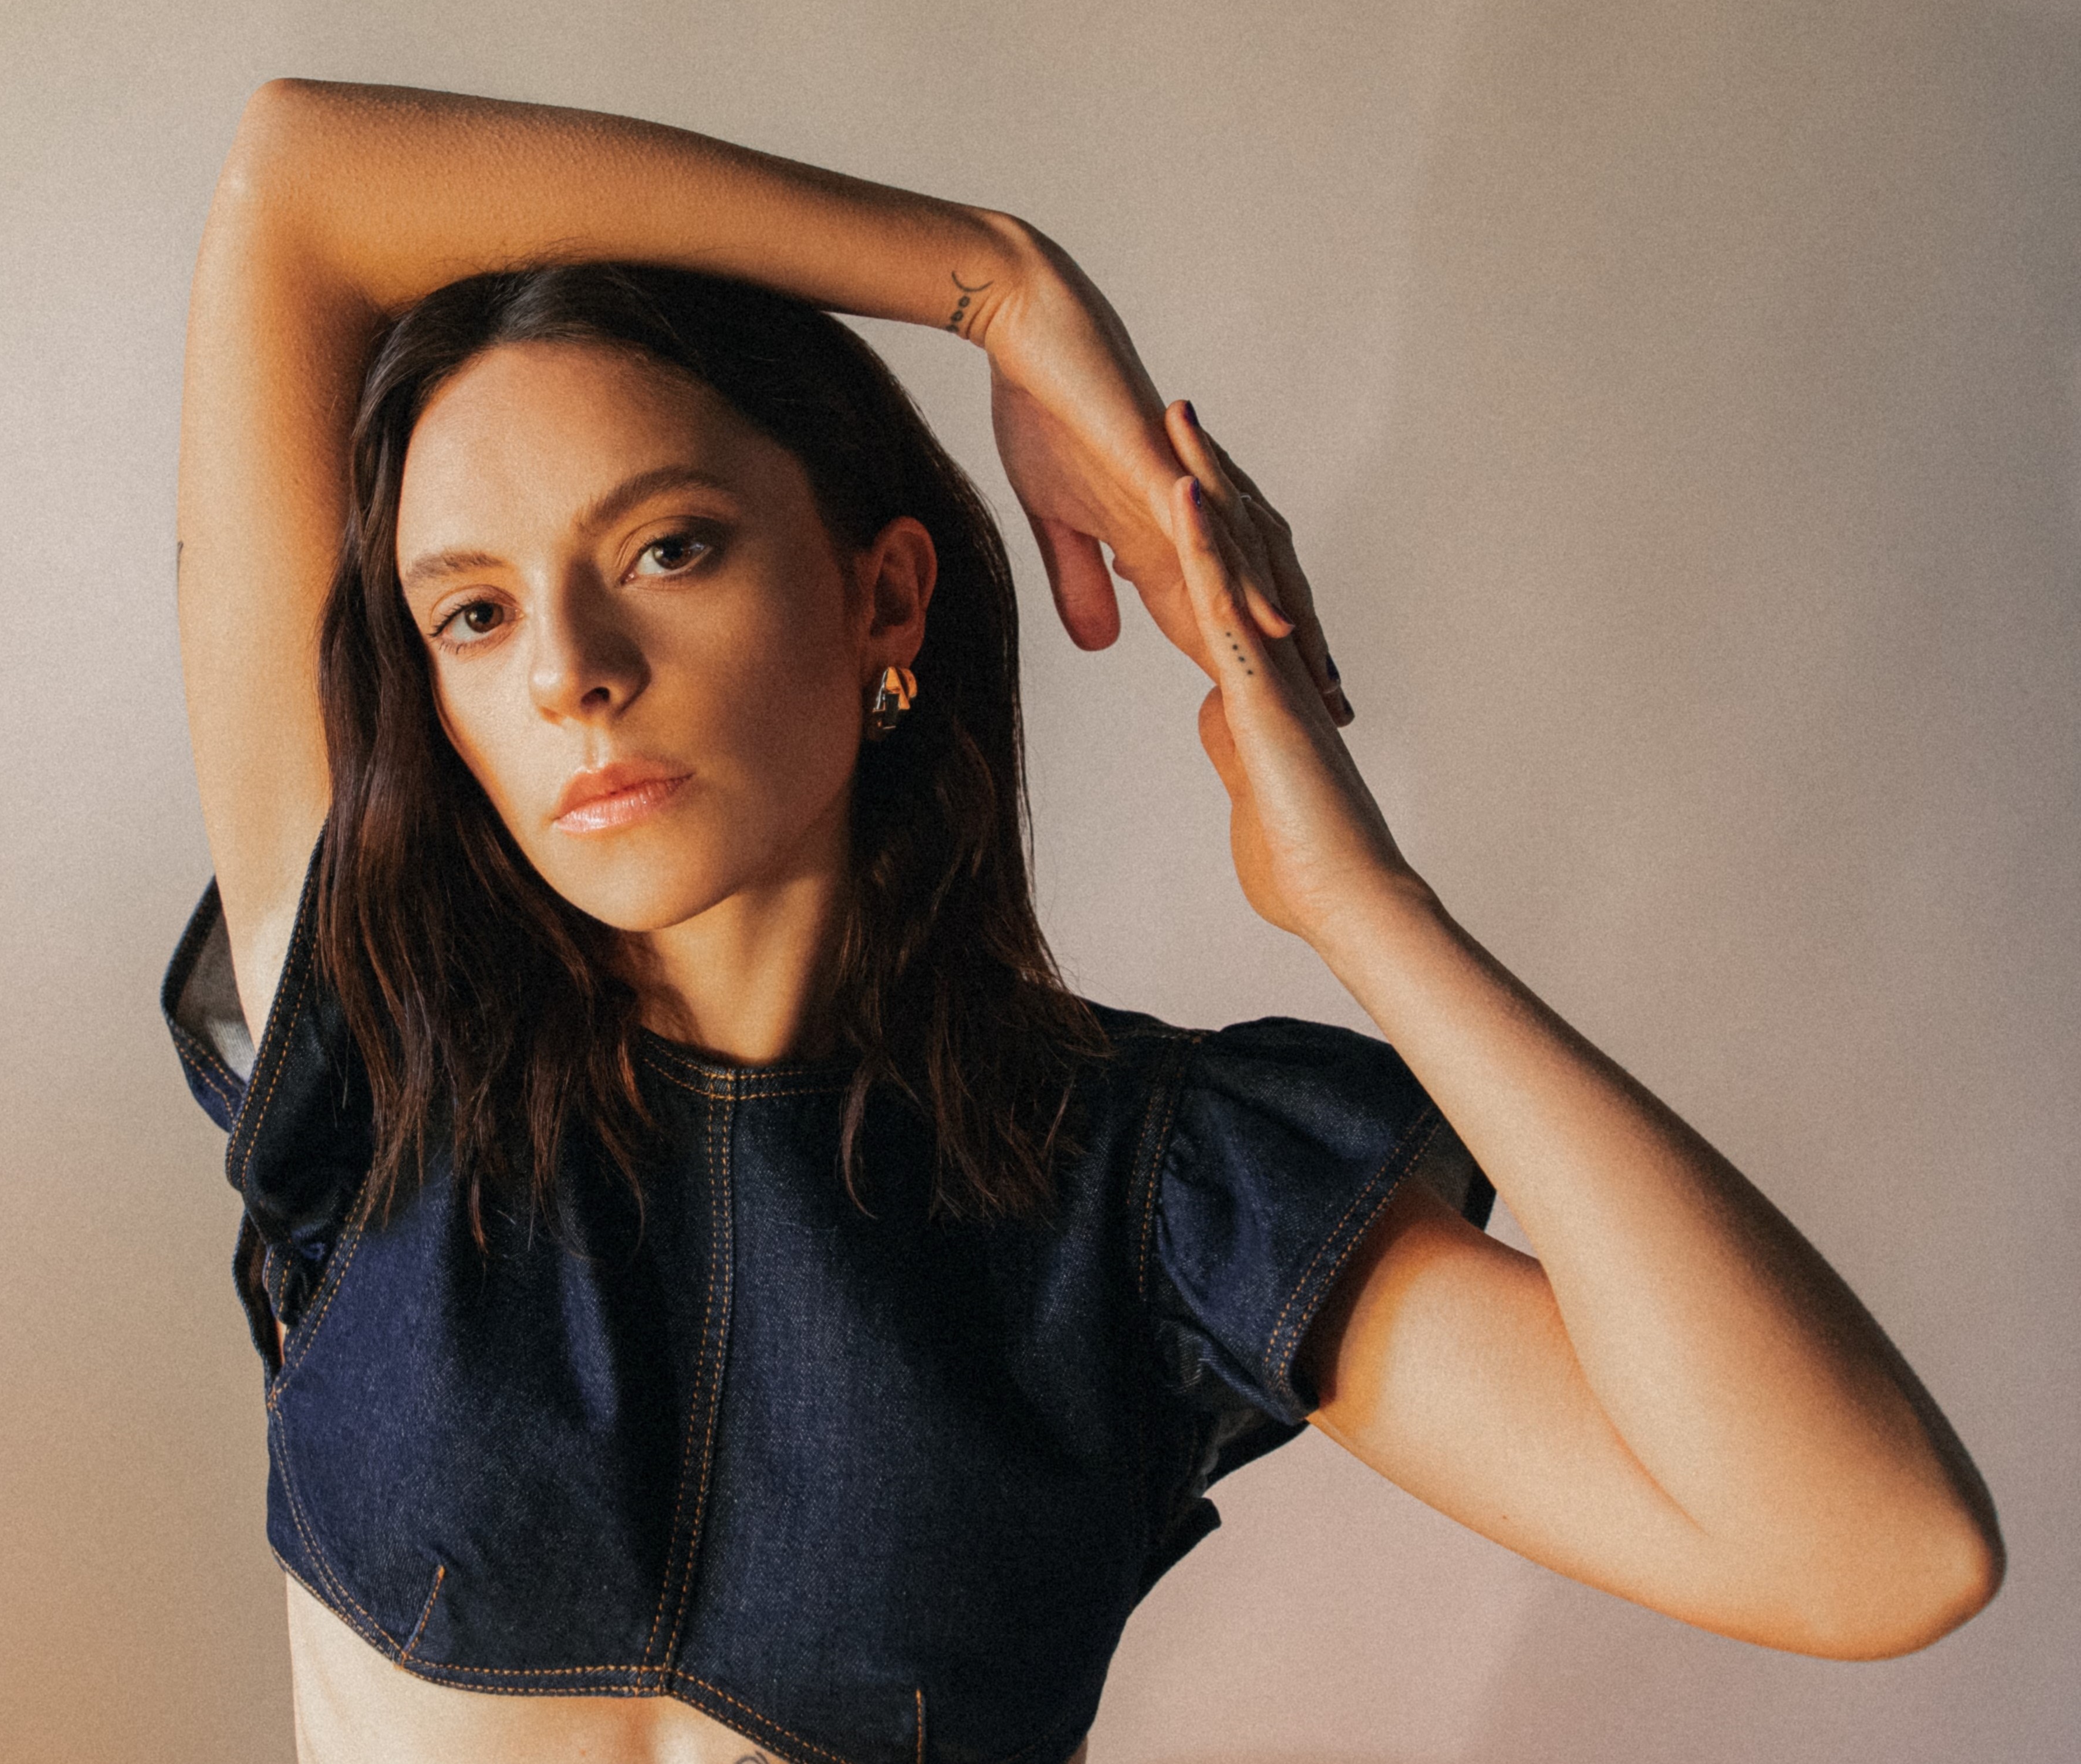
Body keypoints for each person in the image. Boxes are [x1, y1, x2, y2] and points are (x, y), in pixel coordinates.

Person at [160, 79, 2002, 1764]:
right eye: (475, 614)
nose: (572, 668)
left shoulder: (1134, 1193)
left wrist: (1370, 910)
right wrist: (991, 284)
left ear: (887, 598)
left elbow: (1878, 1545)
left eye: (667, 546)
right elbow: (302, 186)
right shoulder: (378, 1033)